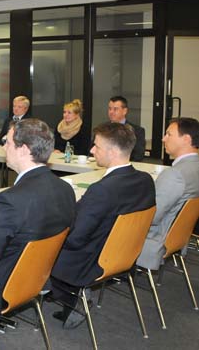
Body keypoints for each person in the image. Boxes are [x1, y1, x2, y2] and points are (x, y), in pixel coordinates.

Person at [0, 119, 76, 323]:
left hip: (0, 288)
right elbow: (31, 231)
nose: (4, 147)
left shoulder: (9, 200)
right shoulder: (64, 189)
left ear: (23, 150)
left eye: (8, 142)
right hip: (35, 278)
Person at [50, 122, 155, 328]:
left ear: (113, 151)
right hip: (123, 253)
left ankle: (71, 295)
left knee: (34, 244)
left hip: (89, 260)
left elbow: (75, 238)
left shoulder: (102, 190)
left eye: (96, 146)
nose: (91, 150)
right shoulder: (145, 180)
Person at [137, 117, 199, 270]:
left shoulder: (175, 174)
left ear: (186, 139)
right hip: (177, 236)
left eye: (169, 134)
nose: (163, 139)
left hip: (154, 239)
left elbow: (152, 216)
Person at [108, 96, 146, 162]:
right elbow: (92, 150)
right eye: (109, 109)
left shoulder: (137, 131)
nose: (111, 112)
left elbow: (138, 155)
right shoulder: (102, 129)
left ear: (124, 111)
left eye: (115, 109)